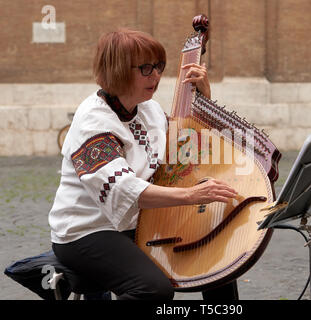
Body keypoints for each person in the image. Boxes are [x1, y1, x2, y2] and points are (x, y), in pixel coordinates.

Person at [49, 28, 238, 300]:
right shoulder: (93, 123)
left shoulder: (146, 108)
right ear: (117, 70)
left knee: (217, 259)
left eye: (159, 66)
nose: (157, 76)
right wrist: (191, 195)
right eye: (146, 68)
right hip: (87, 231)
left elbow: (185, 149)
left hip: (137, 221)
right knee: (153, 290)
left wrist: (203, 98)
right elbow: (127, 190)